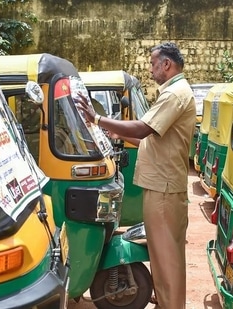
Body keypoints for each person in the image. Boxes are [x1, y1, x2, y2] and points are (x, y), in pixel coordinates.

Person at [74, 42, 196, 309]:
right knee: (163, 256)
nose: (151, 70)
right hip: (161, 185)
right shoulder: (173, 92)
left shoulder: (174, 94)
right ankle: (167, 301)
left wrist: (97, 119)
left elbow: (143, 129)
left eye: (153, 64)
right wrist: (117, 133)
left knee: (167, 259)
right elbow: (148, 139)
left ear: (167, 64)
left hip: (163, 188)